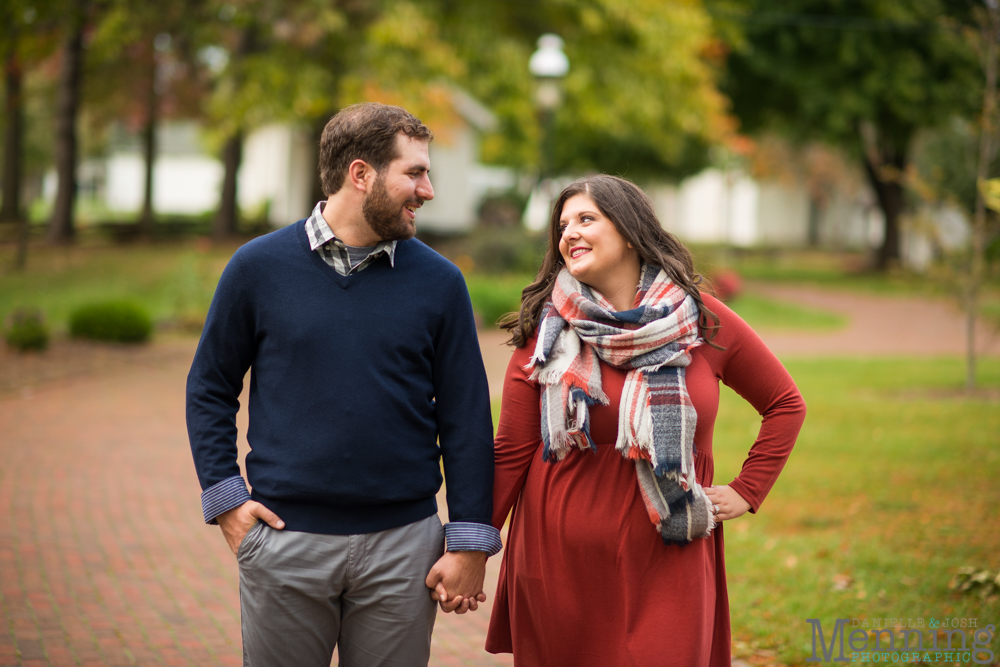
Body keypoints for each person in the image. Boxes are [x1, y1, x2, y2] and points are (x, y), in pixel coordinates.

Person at [186, 102, 502, 667]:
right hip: (285, 542)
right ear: (361, 174)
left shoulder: (440, 282)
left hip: (404, 549)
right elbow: (209, 386)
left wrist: (470, 540)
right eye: (415, 173)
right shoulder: (256, 268)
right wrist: (226, 502)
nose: (427, 190)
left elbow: (467, 417)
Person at [485, 175, 806, 666]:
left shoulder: (701, 321)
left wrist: (747, 489)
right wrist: (471, 546)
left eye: (586, 218)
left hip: (668, 552)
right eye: (562, 224)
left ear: (631, 231)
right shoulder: (546, 334)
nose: (569, 231)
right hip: (559, 561)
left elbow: (785, 403)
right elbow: (511, 450)